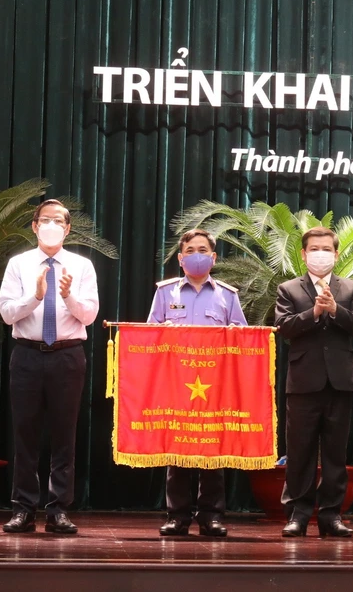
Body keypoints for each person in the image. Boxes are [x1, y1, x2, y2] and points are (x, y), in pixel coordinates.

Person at [0, 199, 99, 535]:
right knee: (25, 434)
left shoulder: (82, 266)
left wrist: (68, 296)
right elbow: (7, 313)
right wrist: (37, 296)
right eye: (45, 219)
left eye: (58, 221)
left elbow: (89, 315)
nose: (51, 225)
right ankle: (23, 509)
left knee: (64, 435)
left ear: (67, 229)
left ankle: (58, 510)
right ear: (34, 226)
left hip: (67, 356)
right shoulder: (18, 264)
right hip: (27, 355)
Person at [147, 229, 247, 537]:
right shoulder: (166, 293)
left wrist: (233, 335)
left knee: (212, 450)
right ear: (180, 259)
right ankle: (177, 516)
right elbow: (148, 336)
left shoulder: (227, 295)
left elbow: (243, 339)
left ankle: (211, 516)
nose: (196, 255)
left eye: (202, 250)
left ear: (213, 257)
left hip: (215, 385)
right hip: (176, 383)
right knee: (177, 449)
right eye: (190, 250)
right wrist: (162, 332)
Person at [274, 227, 353, 538]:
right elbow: (283, 328)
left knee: (335, 454)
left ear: (336, 254)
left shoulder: (351, 288)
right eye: (314, 248)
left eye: (326, 248)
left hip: (341, 382)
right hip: (303, 382)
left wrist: (335, 310)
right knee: (299, 453)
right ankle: (297, 515)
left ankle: (331, 516)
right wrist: (313, 313)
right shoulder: (289, 289)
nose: (320, 254)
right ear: (303, 254)